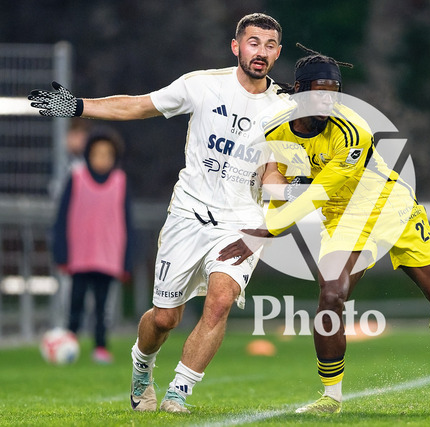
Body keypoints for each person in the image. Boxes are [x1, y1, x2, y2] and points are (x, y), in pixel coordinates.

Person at [29, 13, 289, 413]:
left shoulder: (284, 107)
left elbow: (272, 174)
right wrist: (78, 106)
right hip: (189, 214)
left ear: (278, 53)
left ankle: (178, 392)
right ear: (236, 46)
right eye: (254, 43)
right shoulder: (202, 85)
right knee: (166, 318)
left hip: (241, 222)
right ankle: (142, 365)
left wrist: (294, 196)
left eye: (270, 46)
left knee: (220, 301)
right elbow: (137, 106)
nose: (261, 52)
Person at [218, 47, 430, 414]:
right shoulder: (275, 128)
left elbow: (318, 192)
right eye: (319, 92)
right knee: (331, 294)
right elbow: (279, 180)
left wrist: (266, 230)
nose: (327, 101)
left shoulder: (353, 131)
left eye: (334, 93)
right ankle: (331, 397)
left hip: (390, 207)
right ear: (298, 92)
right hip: (343, 218)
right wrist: (271, 200)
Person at [52, 127, 133, 364]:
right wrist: (62, 253)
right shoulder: (76, 178)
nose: (102, 159)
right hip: (80, 256)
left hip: (108, 257)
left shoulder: (120, 182)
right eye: (97, 154)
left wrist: (126, 261)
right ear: (88, 154)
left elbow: (127, 222)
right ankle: (69, 344)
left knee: (102, 307)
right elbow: (62, 217)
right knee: (75, 303)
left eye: (107, 155)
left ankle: (100, 346)